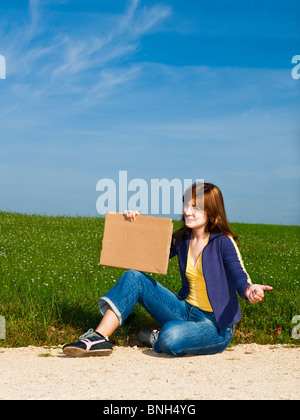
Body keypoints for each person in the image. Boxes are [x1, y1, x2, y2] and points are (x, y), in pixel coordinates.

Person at [62, 182, 272, 357]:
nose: (187, 211)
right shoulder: (183, 239)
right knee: (134, 277)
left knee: (170, 337)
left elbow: (239, 275)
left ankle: (159, 337)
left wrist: (248, 289)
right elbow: (146, 251)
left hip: (215, 326)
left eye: (195, 207)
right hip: (184, 310)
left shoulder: (223, 242)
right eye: (186, 205)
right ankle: (99, 338)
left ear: (212, 211)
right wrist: (134, 222)